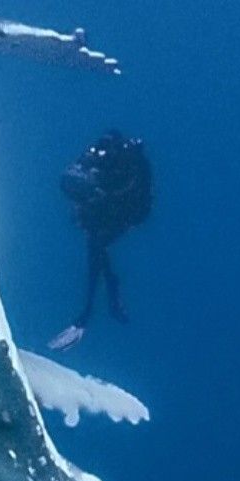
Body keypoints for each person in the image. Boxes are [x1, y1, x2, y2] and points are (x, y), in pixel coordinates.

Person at [49, 131, 152, 350]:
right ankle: (105, 301)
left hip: (124, 213)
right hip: (108, 209)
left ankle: (92, 310)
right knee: (96, 247)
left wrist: (98, 197)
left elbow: (134, 202)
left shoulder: (127, 167)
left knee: (96, 247)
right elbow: (71, 179)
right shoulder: (98, 160)